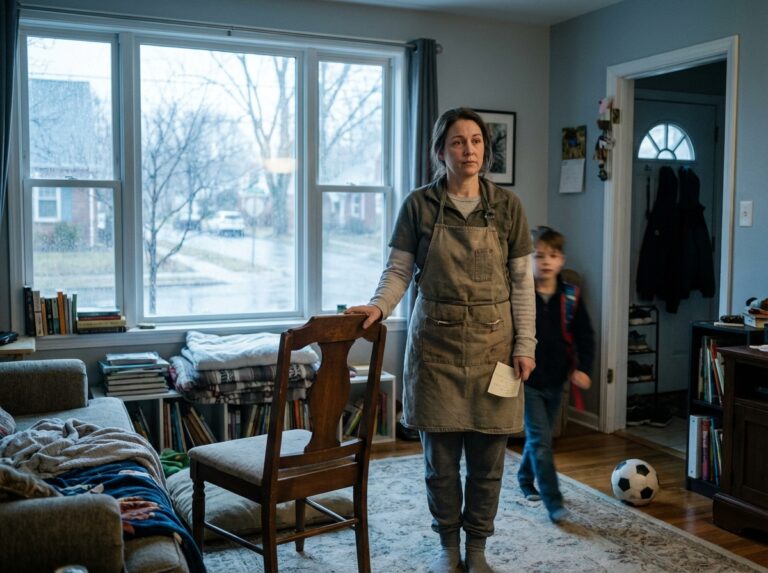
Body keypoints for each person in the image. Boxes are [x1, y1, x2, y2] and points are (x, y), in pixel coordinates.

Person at [347, 107, 536, 573]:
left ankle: (477, 550)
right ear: (440, 151)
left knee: (490, 461)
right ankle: (448, 546)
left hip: (497, 353)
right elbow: (398, 272)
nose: (468, 149)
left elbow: (521, 284)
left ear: (484, 150)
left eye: (475, 141)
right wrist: (377, 307)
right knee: (441, 464)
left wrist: (525, 344)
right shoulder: (419, 205)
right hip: (436, 352)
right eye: (457, 141)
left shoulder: (508, 207)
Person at [517, 226, 594, 523]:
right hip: (528, 381)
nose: (546, 261)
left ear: (562, 259)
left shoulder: (571, 296)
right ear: (528, 260)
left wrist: (584, 369)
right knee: (540, 439)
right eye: (538, 256)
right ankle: (554, 501)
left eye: (553, 255)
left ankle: (525, 479)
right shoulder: (522, 295)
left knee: (542, 437)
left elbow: (585, 336)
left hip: (558, 379)